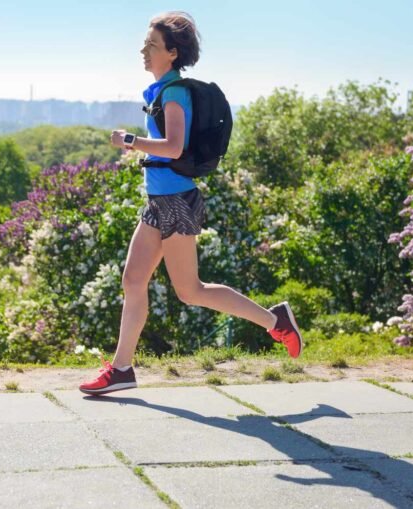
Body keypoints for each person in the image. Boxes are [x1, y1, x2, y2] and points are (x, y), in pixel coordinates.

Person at [79, 11, 303, 395]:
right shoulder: (160, 91)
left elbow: (174, 147)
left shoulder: (175, 93)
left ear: (172, 52)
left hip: (177, 202)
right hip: (158, 202)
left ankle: (275, 321)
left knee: (190, 291)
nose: (144, 50)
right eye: (145, 44)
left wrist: (130, 141)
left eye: (151, 45)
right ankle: (122, 370)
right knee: (133, 280)